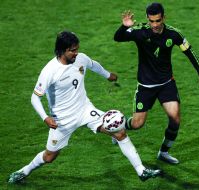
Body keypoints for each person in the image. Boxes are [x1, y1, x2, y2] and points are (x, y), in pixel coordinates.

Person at [8, 31, 161, 183]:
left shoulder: (81, 59)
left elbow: (94, 65)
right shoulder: (50, 71)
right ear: (62, 50)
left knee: (119, 132)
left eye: (77, 49)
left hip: (85, 110)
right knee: (49, 157)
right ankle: (24, 171)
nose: (76, 53)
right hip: (62, 121)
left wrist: (108, 75)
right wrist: (45, 118)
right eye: (72, 50)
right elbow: (35, 97)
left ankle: (141, 171)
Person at [114, 3, 199, 164]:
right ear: (147, 18)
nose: (155, 25)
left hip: (166, 83)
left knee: (175, 118)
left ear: (163, 18)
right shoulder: (140, 31)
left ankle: (164, 152)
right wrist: (124, 26)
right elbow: (117, 38)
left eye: (158, 21)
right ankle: (118, 128)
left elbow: (189, 51)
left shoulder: (173, 34)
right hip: (146, 86)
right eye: (152, 21)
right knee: (138, 123)